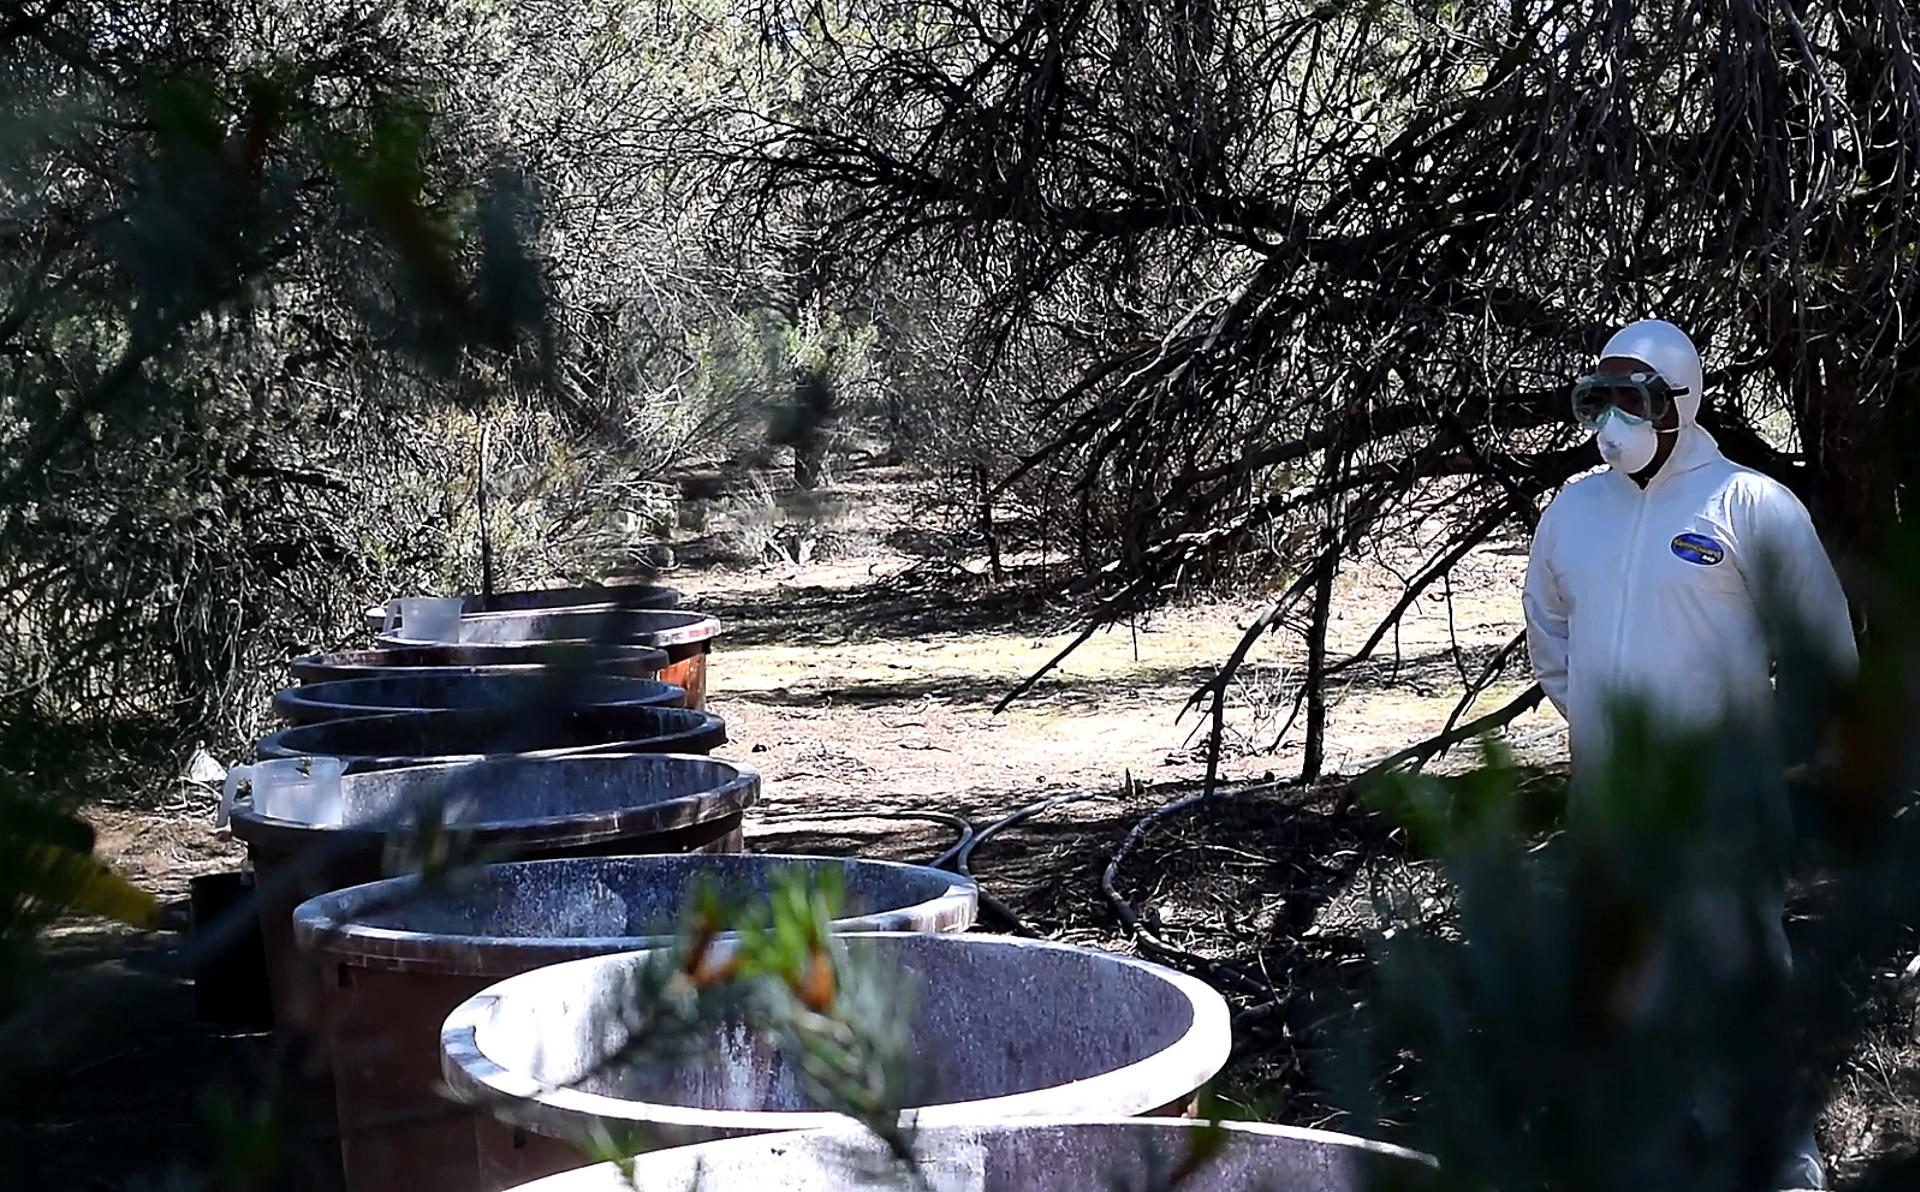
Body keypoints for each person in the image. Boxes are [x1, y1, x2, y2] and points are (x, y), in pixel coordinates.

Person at [1522, 318, 1856, 1190]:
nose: (1610, 425)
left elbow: (1825, 656)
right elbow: (1552, 641)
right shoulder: (1573, 511)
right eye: (1597, 403)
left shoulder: (1751, 506)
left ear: (1679, 404)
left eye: (1631, 404)